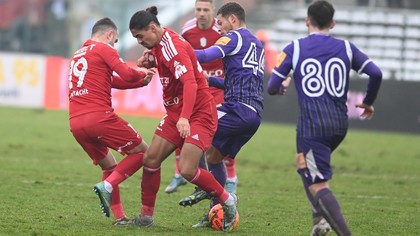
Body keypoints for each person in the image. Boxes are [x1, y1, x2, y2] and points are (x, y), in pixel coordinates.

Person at [267, 1, 382, 235]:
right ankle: (319, 220)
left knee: (319, 183)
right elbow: (376, 72)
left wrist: (286, 81)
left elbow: (271, 87)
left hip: (313, 127)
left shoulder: (295, 47)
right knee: (303, 164)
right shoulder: (347, 48)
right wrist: (368, 102)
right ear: (332, 23)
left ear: (307, 21)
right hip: (339, 125)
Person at [128, 6, 238, 232]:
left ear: (151, 28)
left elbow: (190, 83)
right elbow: (167, 63)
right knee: (150, 160)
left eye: (139, 36)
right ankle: (145, 217)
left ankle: (228, 200)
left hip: (199, 113)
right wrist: (152, 60)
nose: (139, 41)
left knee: (188, 170)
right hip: (176, 113)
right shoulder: (160, 42)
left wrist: (185, 118)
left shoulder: (173, 47)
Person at [178, 1, 265, 228]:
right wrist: (211, 80)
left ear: (232, 19)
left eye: (221, 22)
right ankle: (217, 212)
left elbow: (206, 56)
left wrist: (177, 51)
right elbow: (238, 81)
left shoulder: (234, 38)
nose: (219, 29)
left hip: (238, 109)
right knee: (214, 155)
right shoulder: (256, 44)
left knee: (193, 126)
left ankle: (204, 188)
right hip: (254, 114)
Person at [68, 17, 156, 225]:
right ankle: (107, 186)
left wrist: (140, 83)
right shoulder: (105, 49)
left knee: (109, 165)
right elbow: (125, 73)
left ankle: (119, 218)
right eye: (115, 40)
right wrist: (141, 72)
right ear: (109, 34)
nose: (114, 44)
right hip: (99, 118)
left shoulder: (78, 54)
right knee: (143, 152)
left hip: (76, 124)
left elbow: (112, 81)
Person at [165, 0, 239, 198]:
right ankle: (181, 173)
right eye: (198, 9)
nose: (202, 13)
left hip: (217, 87)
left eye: (206, 10)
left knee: (218, 134)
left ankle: (230, 177)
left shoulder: (222, 29)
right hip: (197, 86)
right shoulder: (187, 30)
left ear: (213, 11)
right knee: (183, 126)